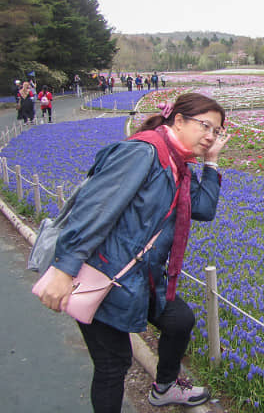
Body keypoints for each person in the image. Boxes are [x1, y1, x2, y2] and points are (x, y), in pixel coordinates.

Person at [33, 93, 230, 412]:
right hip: (104, 275)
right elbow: (94, 209)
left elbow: (204, 209)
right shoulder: (143, 152)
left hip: (142, 278)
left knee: (179, 320)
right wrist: (63, 269)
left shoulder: (178, 162)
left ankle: (165, 387)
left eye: (217, 131)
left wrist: (211, 162)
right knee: (114, 364)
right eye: (205, 126)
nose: (210, 136)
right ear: (178, 121)